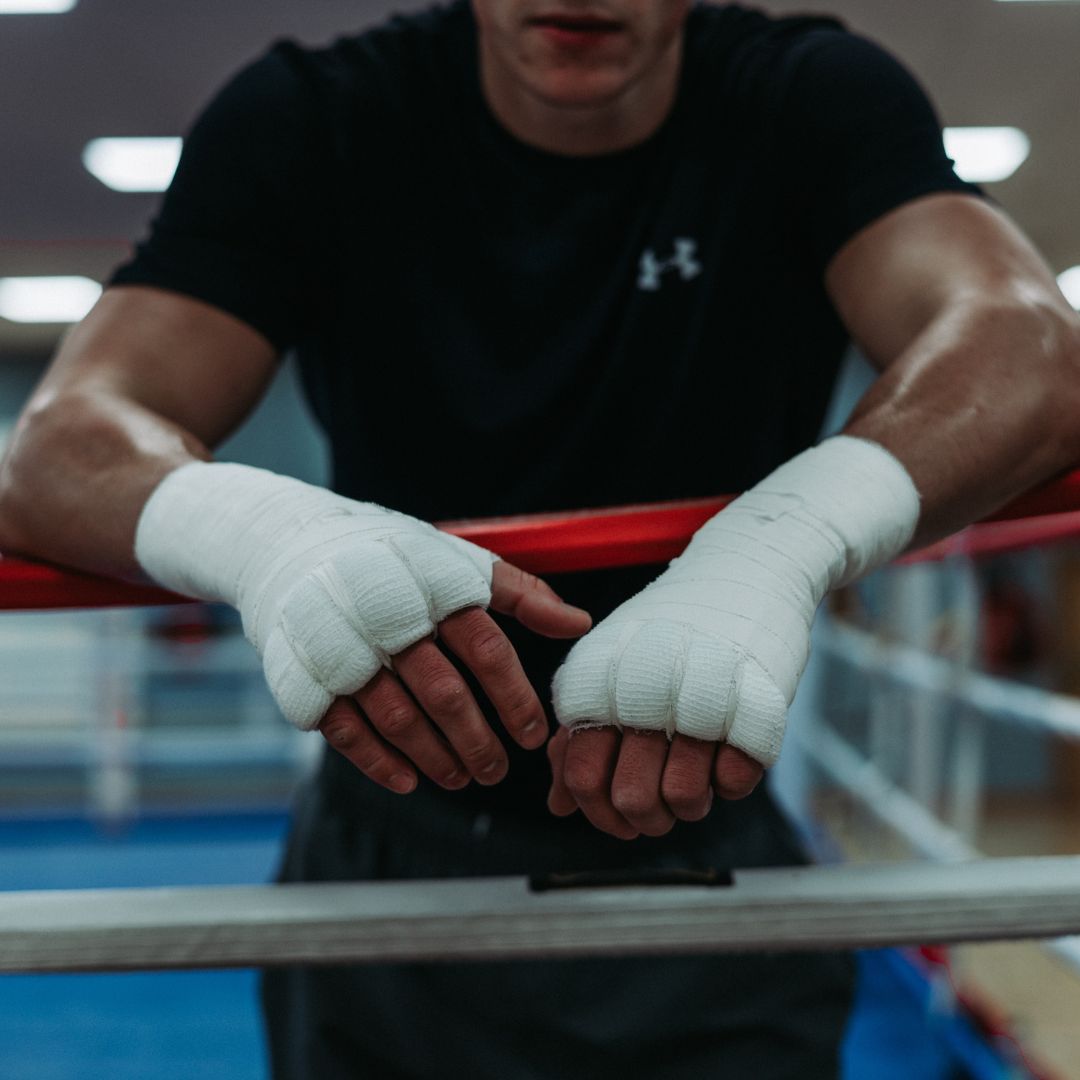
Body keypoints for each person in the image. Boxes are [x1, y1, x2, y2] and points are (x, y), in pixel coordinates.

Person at [1, 1, 1078, 1075]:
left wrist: (784, 541)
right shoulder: (319, 119)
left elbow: (1032, 351)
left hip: (707, 839)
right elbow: (54, 448)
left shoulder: (799, 96)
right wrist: (270, 538)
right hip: (388, 867)